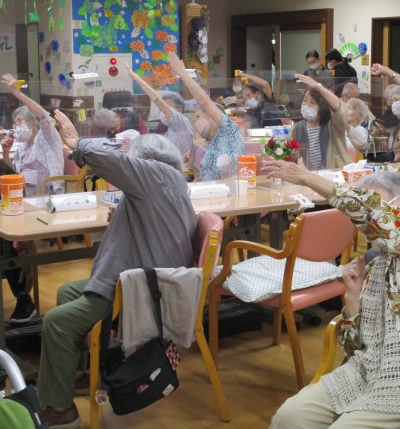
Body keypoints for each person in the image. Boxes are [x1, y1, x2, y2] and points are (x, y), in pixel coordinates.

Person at [263, 162, 400, 429]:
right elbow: (353, 349)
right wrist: (353, 300)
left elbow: (375, 216)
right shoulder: (374, 264)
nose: (360, 221)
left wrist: (310, 179)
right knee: (289, 418)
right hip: (366, 371)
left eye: (372, 201)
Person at [37, 110, 197, 429]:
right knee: (67, 291)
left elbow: (114, 163)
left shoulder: (156, 175)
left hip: (142, 291)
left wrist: (75, 142)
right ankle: (82, 372)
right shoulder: (169, 183)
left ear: (145, 161)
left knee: (56, 322)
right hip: (145, 279)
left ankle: (60, 411)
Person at [0, 153, 37, 326]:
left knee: (12, 246)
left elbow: (18, 211)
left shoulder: (11, 178)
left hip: (6, 218)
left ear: (0, 180)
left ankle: (24, 299)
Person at [167, 51, 245, 180]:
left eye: (198, 116)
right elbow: (205, 179)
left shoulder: (230, 132)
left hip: (230, 190)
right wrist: (192, 167)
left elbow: (204, 101)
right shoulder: (208, 146)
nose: (194, 121)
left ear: (211, 116)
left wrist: (182, 73)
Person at [0, 74, 64, 197]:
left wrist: (18, 93)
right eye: (15, 123)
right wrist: (6, 153)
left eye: (19, 121)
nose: (16, 126)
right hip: (23, 189)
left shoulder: (47, 136)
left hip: (44, 191)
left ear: (33, 121)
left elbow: (43, 115)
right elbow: (12, 172)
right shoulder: (23, 146)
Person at [125, 62, 193, 165]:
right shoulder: (171, 127)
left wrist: (135, 77)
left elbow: (156, 99)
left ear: (179, 111)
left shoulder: (180, 122)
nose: (162, 111)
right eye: (160, 109)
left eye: (165, 108)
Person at [290, 74, 351, 170]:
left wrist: (317, 86)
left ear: (322, 106)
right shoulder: (296, 128)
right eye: (305, 101)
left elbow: (340, 108)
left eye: (312, 103)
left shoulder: (333, 124)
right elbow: (291, 156)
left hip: (333, 174)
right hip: (308, 175)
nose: (306, 106)